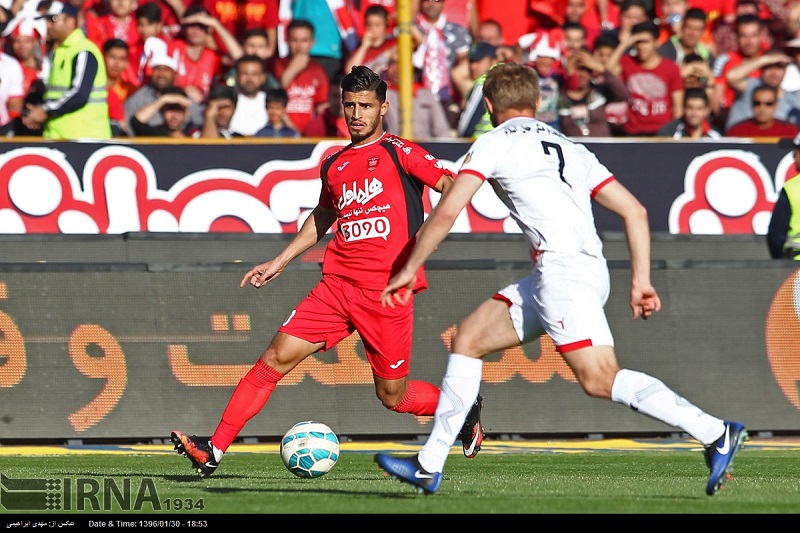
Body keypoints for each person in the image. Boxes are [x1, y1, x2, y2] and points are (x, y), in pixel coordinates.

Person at [373, 62, 748, 497]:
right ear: (537, 103)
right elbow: (635, 211)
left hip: (563, 273)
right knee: (470, 338)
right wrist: (641, 279)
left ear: (490, 104)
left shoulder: (493, 142)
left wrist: (406, 268)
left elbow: (448, 211)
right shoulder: (570, 145)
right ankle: (428, 465)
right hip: (581, 268)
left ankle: (715, 431)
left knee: (599, 378)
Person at [170, 65, 483, 478]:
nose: (356, 113)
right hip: (336, 287)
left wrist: (425, 242)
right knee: (274, 358)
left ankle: (462, 408)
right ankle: (213, 449)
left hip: (386, 291)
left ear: (383, 109)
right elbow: (323, 217)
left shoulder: (399, 151)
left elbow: (452, 186)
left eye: (365, 106)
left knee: (392, 397)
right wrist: (279, 261)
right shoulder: (334, 163)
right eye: (350, 104)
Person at [23, 1, 112, 139]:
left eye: (53, 19)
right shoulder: (61, 51)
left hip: (85, 138)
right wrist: (36, 112)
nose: (48, 25)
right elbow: (56, 95)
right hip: (61, 136)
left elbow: (79, 94)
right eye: (47, 20)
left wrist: (45, 111)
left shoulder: (83, 50)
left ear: (70, 21)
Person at [767, 132, 800, 259]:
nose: (793, 156)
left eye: (796, 151)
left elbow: (775, 236)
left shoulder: (792, 187)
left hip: (797, 268)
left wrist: (781, 264)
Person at [725, 84, 800, 137]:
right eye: (757, 103)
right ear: (752, 105)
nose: (762, 108)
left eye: (768, 104)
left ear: (775, 106)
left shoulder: (790, 131)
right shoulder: (737, 131)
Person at [656, 86, 721, 138]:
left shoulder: (717, 136)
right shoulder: (668, 133)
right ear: (684, 108)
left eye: (699, 109)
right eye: (690, 108)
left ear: (706, 110)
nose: (694, 113)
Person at [129, 85, 194, 137]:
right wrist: (163, 99)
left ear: (186, 113)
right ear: (162, 111)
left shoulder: (192, 137)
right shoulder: (155, 135)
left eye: (179, 110)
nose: (174, 116)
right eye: (170, 109)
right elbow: (136, 122)